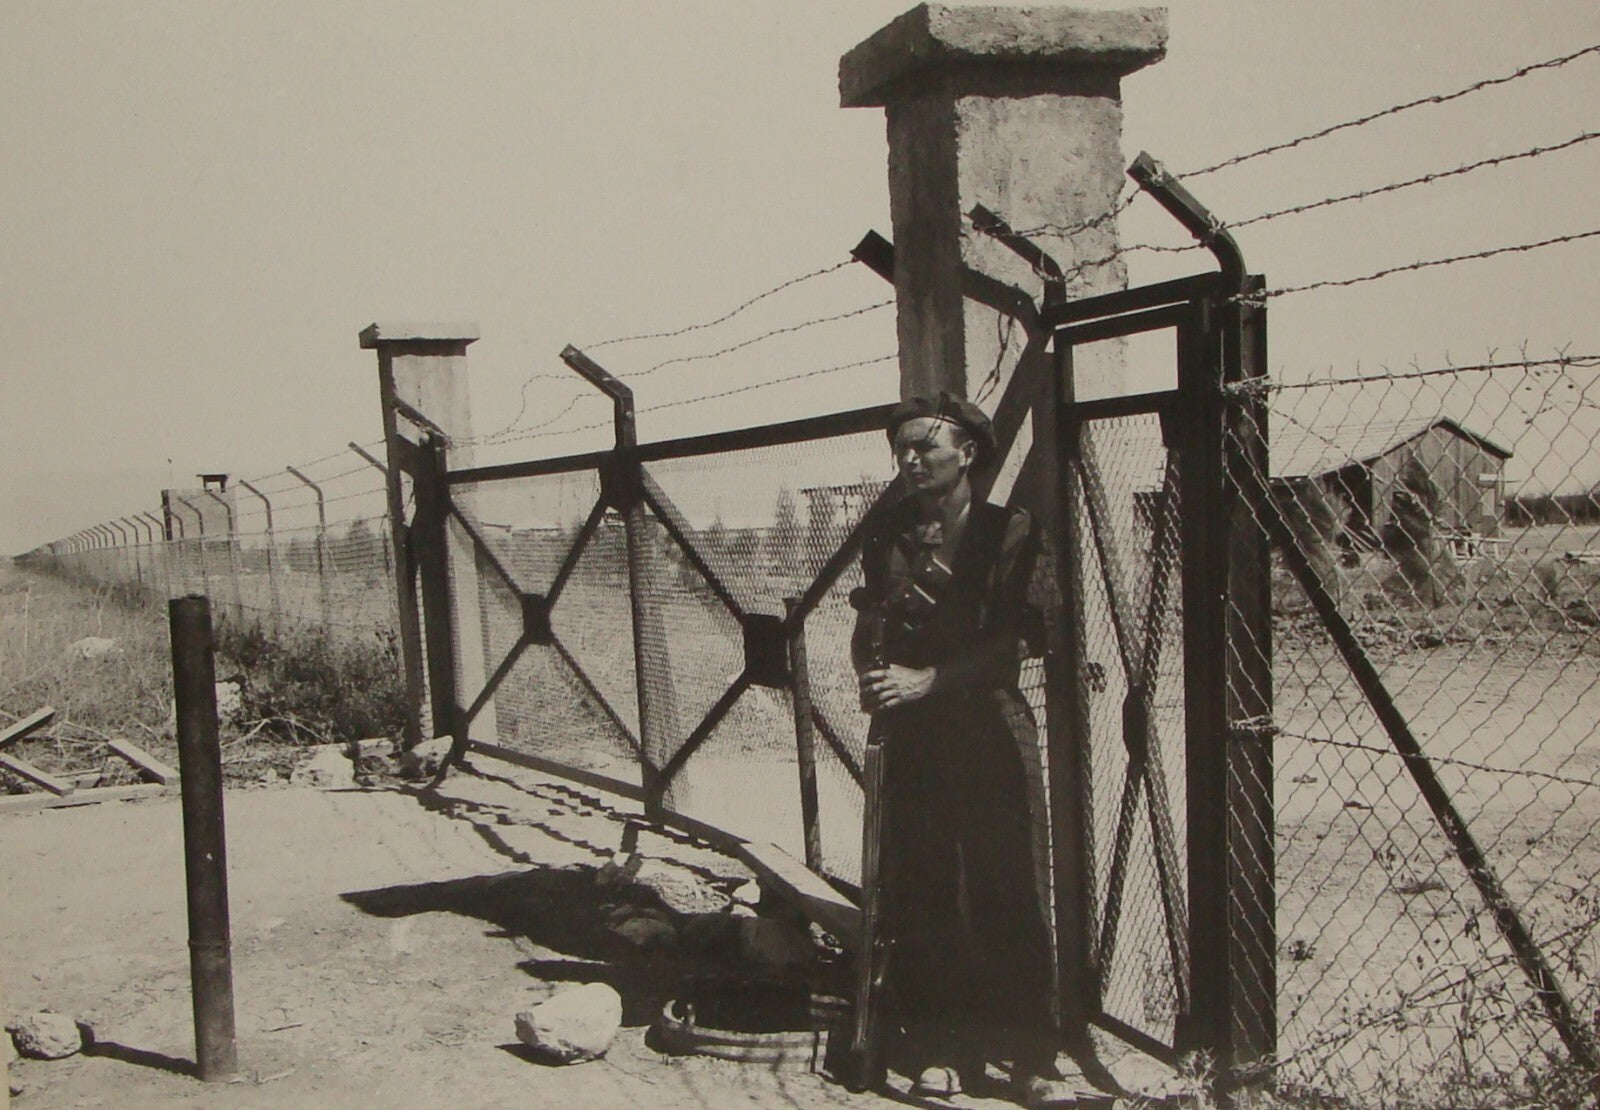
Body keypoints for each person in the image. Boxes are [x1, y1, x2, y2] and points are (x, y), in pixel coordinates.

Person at [851, 392, 1061, 1103]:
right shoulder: (889, 533)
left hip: (990, 723)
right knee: (925, 887)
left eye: (923, 447)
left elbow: (1016, 643)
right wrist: (872, 677)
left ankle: (1032, 1058)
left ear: (966, 453)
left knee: (1012, 886)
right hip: (916, 735)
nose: (909, 460)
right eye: (901, 449)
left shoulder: (1012, 532)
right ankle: (939, 1045)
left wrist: (927, 679)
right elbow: (871, 623)